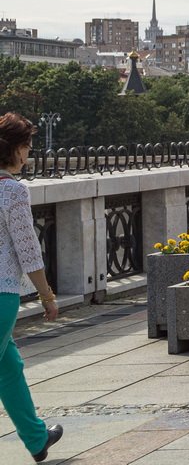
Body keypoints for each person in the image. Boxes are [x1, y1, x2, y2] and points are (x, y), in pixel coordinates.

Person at [0, 114, 62, 463]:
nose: (29, 154)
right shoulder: (12, 191)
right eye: (28, 147)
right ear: (16, 150)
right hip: (1, 295)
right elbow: (29, 253)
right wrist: (47, 296)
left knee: (9, 367)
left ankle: (37, 438)